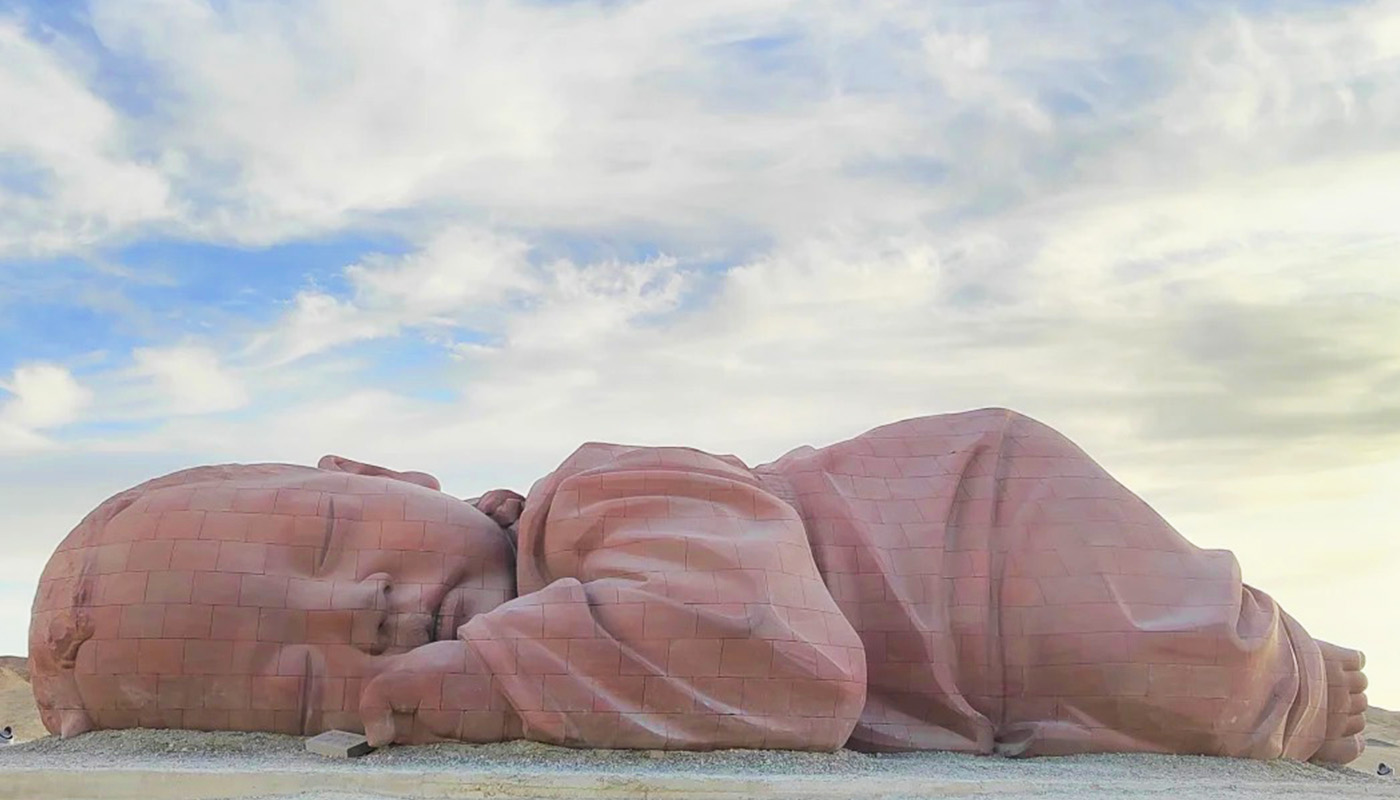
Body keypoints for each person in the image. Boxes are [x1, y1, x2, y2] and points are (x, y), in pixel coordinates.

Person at [28, 409, 1369, 762]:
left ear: (374, 470)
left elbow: (784, 661)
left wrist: (480, 679)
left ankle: (1309, 681)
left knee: (1194, 670)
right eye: (300, 681)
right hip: (968, 677)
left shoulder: (605, 494)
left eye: (329, 541)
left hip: (987, 531)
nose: (359, 610)